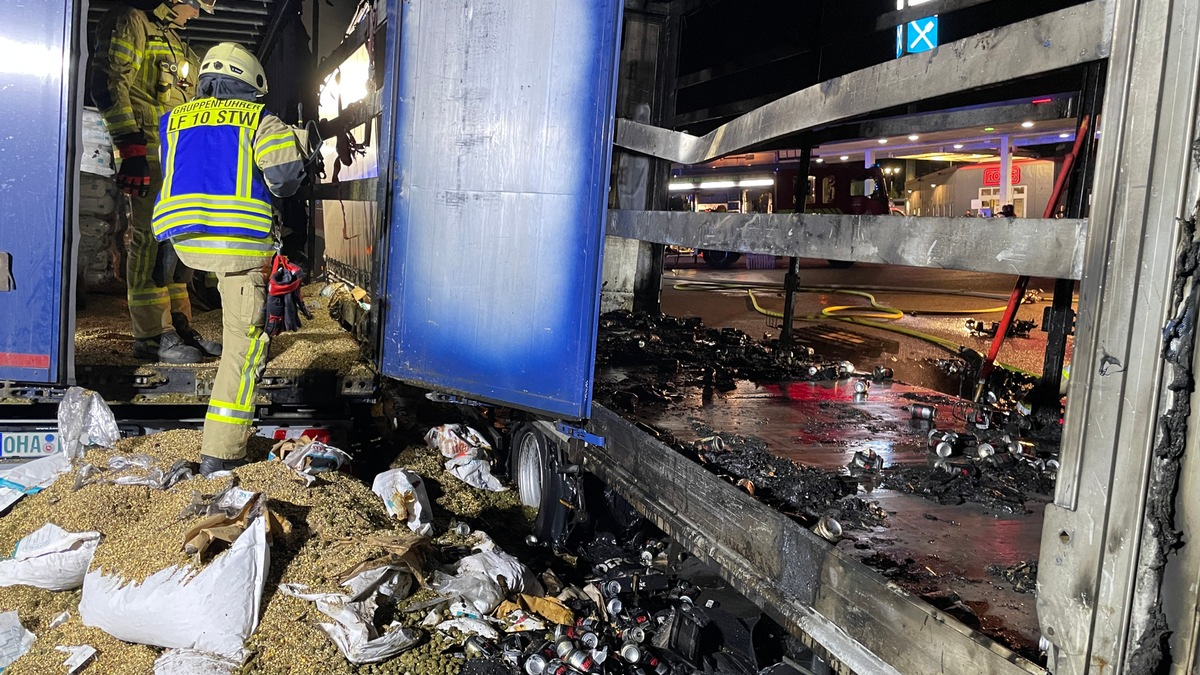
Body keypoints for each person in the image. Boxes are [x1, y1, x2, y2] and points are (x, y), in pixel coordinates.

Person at [152, 42, 307, 475]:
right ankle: (221, 454)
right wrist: (297, 149)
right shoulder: (262, 119)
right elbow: (285, 182)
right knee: (244, 349)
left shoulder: (172, 120)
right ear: (252, 83)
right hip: (238, 247)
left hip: (184, 243)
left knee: (223, 306)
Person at [92, 0, 221, 364]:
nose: (197, 14)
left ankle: (177, 325)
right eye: (196, 6)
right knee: (150, 240)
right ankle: (150, 336)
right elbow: (106, 83)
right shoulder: (130, 22)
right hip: (146, 155)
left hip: (176, 161)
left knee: (174, 242)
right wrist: (130, 147)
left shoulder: (175, 41)